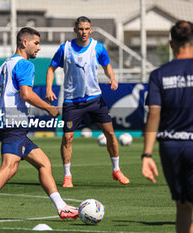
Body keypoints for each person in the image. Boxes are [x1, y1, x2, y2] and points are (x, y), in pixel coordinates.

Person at [0, 27, 79, 224]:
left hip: (4, 122)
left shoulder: (3, 66)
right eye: (36, 43)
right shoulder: (25, 65)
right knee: (10, 166)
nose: (39, 48)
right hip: (14, 123)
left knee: (44, 163)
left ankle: (61, 207)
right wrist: (49, 108)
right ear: (24, 43)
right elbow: (26, 94)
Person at [45, 16, 130, 187]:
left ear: (91, 30)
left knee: (111, 135)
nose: (84, 32)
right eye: (81, 29)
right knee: (67, 138)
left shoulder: (98, 47)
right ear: (75, 30)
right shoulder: (65, 48)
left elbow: (106, 65)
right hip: (72, 101)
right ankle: (67, 176)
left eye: (87, 29)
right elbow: (51, 68)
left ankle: (116, 170)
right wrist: (48, 89)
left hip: (95, 99)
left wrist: (112, 78)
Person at [142, 20, 193, 233]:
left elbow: (154, 113)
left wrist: (146, 155)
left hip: (170, 147)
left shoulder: (158, 74)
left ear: (171, 44)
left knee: (182, 206)